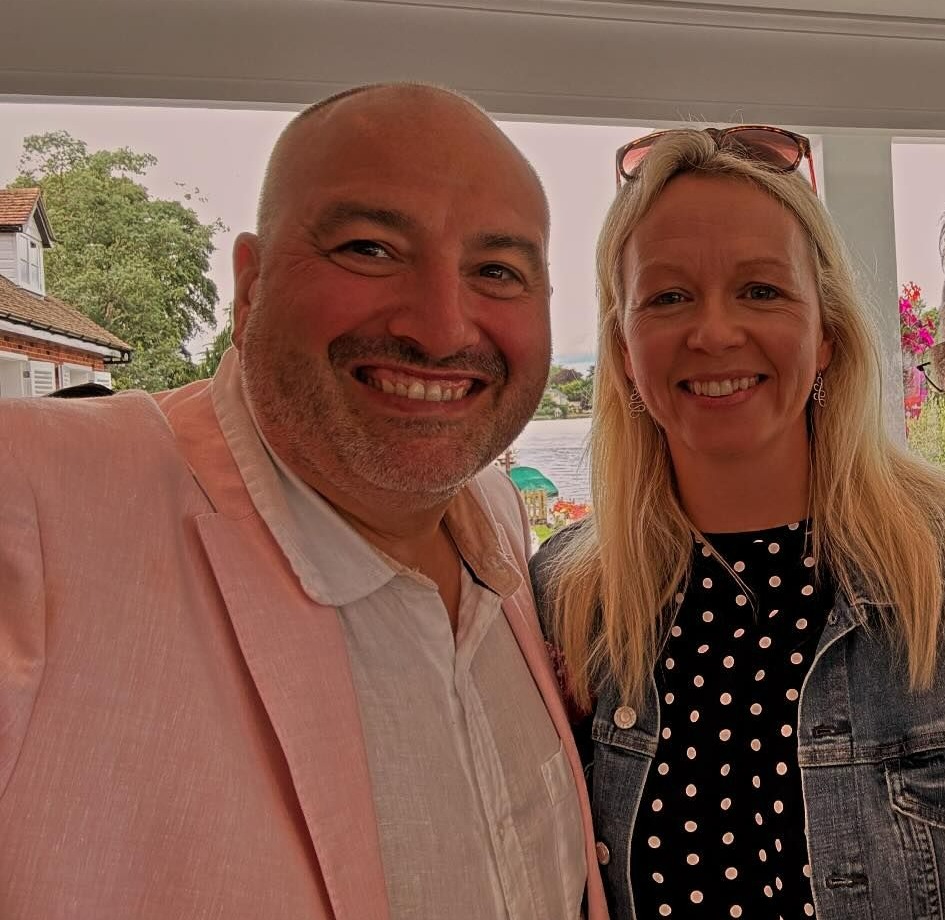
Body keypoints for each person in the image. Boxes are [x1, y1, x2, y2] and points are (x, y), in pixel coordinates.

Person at [0, 83, 607, 920]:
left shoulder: (495, 516)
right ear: (249, 286)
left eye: (496, 269)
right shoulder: (34, 501)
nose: (438, 327)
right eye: (369, 249)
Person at [531, 125, 945, 920]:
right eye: (668, 297)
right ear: (622, 349)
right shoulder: (565, 598)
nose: (714, 332)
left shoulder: (933, 565)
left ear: (824, 333)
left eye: (760, 290)